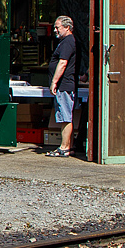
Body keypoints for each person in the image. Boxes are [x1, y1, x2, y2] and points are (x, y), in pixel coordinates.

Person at [47, 15, 78, 157]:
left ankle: (64, 148)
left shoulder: (67, 42)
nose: (55, 30)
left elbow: (63, 63)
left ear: (67, 27)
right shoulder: (66, 41)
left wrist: (54, 82)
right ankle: (67, 146)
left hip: (64, 84)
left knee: (65, 117)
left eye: (57, 27)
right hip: (64, 84)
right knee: (64, 116)